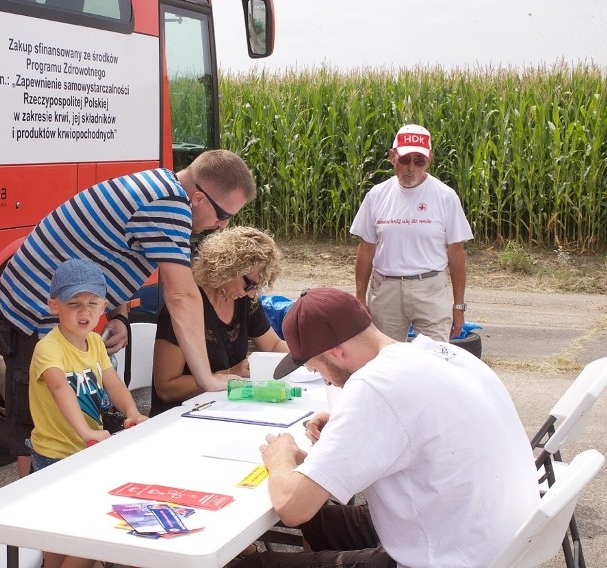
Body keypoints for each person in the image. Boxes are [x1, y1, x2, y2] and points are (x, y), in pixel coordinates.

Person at [0, 149, 257, 476]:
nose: (222, 225)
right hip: (30, 317)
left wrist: (119, 314)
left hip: (55, 315)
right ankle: (23, 506)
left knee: (73, 419)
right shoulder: (169, 206)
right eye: (224, 215)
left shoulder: (159, 186)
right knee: (42, 428)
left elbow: (105, 251)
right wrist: (207, 379)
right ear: (199, 198)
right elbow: (182, 295)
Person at [233, 287, 539, 568]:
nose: (324, 380)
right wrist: (350, 428)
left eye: (317, 368)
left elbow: (291, 507)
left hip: (450, 556)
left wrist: (280, 456)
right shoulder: (443, 354)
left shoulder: (375, 387)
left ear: (337, 351)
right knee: (320, 520)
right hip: (490, 536)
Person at [28, 259, 147, 568]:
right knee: (70, 533)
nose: (84, 312)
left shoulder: (95, 342)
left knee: (73, 531)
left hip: (86, 451)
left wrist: (132, 411)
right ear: (54, 305)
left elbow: (112, 382)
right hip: (56, 455)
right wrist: (86, 431)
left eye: (92, 303)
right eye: (74, 303)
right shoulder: (48, 348)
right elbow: (59, 388)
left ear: (104, 305)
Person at [350, 124, 474, 342]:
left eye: (419, 161)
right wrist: (360, 296)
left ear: (430, 160)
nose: (411, 168)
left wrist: (458, 306)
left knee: (436, 362)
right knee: (386, 360)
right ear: (392, 157)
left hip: (430, 290)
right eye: (405, 160)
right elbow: (366, 248)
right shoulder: (376, 196)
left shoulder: (446, 197)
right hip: (385, 291)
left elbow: (456, 253)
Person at [149, 227, 287, 416]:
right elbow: (166, 389)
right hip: (181, 417)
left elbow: (274, 346)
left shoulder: (245, 302)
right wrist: (230, 372)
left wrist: (310, 356)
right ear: (229, 268)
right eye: (251, 285)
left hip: (226, 409)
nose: (252, 293)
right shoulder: (184, 308)